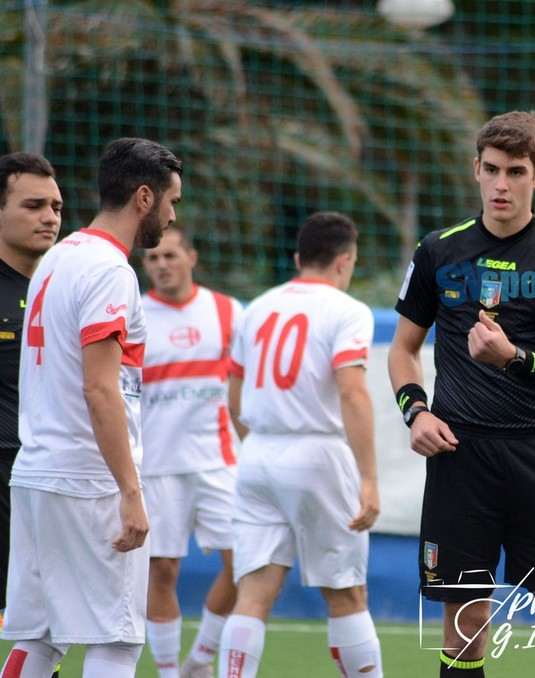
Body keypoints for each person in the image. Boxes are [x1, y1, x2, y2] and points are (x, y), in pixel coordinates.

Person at [387, 110, 535, 677]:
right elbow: (402, 350)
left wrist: (511, 357)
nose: (501, 184)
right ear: (476, 170)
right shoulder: (438, 250)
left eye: (515, 171)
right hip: (461, 458)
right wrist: (416, 413)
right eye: (491, 170)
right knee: (465, 633)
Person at [0, 137, 182, 678]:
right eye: (172, 201)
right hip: (87, 480)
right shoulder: (109, 270)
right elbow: (100, 389)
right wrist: (130, 490)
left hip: (36, 472)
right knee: (116, 640)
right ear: (144, 197)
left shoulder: (58, 258)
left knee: (40, 637)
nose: (173, 216)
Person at [219, 211, 382, 678]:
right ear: (345, 260)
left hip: (257, 454)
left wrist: (258, 446)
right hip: (317, 455)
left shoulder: (257, 308)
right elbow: (352, 392)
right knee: (347, 594)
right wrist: (369, 478)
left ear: (298, 258)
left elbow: (234, 394)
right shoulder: (347, 310)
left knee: (253, 594)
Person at [140, 227, 242, 678]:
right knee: (161, 571)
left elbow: (247, 385)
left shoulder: (228, 311)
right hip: (157, 465)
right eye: (153, 258)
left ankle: (199, 660)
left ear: (191, 257)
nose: (162, 265)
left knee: (244, 563)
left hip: (219, 460)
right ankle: (168, 673)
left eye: (170, 255)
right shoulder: (134, 314)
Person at [0, 152, 63, 678]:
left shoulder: (62, 287)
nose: (49, 217)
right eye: (34, 205)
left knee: (47, 628)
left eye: (56, 207)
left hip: (44, 479)